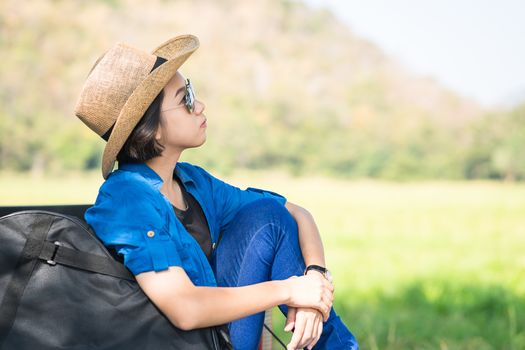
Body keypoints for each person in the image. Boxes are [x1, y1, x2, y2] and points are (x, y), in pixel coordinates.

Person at [75, 34, 358, 350]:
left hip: (217, 334)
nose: (200, 106)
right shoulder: (127, 199)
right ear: (151, 127)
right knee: (269, 219)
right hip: (183, 340)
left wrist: (315, 280)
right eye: (186, 99)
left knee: (267, 215)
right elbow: (185, 309)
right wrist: (291, 290)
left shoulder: (193, 182)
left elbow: (296, 213)